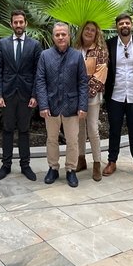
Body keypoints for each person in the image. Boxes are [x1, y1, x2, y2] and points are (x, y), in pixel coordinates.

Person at [36, 23, 89, 187]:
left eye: (63, 34)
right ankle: (53, 167)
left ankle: (71, 169)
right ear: (53, 37)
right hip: (51, 106)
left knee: (73, 140)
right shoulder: (45, 55)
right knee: (52, 139)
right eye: (57, 35)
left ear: (68, 36)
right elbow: (40, 81)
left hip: (72, 106)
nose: (60, 37)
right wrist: (43, 105)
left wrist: (83, 106)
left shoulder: (77, 56)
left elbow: (82, 83)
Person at [0, 10, 42, 181]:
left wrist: (35, 95)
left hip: (26, 95)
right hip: (6, 95)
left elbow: (38, 73)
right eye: (15, 22)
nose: (18, 25)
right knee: (6, 130)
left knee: (24, 130)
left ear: (26, 23)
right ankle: (6, 165)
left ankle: (25, 165)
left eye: (21, 22)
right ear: (11, 24)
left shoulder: (34, 45)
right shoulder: (2, 44)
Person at [103, 13, 133, 179]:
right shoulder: (108, 44)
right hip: (115, 95)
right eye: (121, 23)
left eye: (127, 23)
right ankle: (112, 161)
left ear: (131, 25)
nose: (124, 26)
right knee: (114, 130)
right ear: (117, 27)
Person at [74, 20, 108, 182]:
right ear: (82, 31)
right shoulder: (75, 50)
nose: (88, 32)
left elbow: (100, 75)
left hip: (92, 96)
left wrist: (84, 93)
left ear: (96, 33)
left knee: (93, 129)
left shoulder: (100, 51)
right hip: (75, 96)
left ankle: (96, 163)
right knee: (79, 130)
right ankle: (81, 160)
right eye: (86, 29)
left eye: (92, 30)